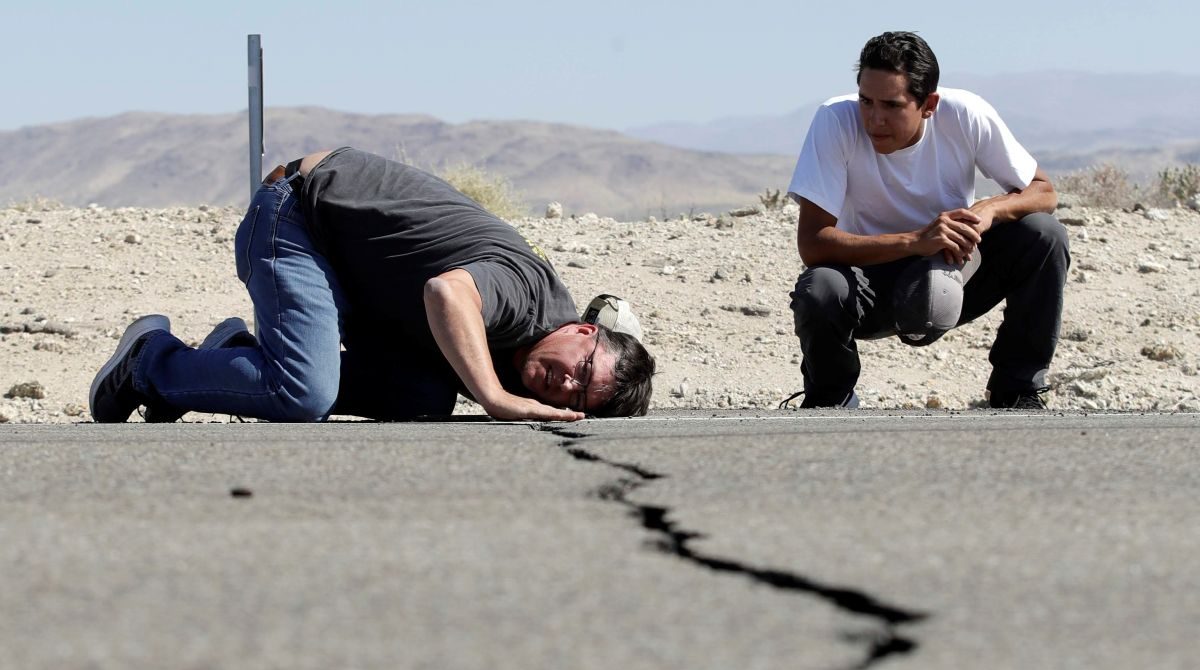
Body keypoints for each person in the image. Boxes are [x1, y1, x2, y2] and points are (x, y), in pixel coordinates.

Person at [90, 147, 655, 423]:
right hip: (301, 214)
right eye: (582, 369)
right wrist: (494, 398)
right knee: (301, 395)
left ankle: (234, 359)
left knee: (424, 399)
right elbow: (447, 294)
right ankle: (150, 361)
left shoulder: (536, 351)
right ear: (583, 329)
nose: (564, 384)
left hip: (361, 279)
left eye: (577, 397)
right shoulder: (526, 296)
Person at [785, 31, 1070, 409]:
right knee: (820, 287)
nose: (874, 119)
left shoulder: (966, 114)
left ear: (928, 104)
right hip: (869, 281)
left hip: (954, 271)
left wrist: (989, 210)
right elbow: (814, 244)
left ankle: (1017, 390)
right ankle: (829, 399)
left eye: (891, 105)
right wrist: (915, 240)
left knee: (1044, 234)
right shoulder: (835, 121)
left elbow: (1044, 192)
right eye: (866, 101)